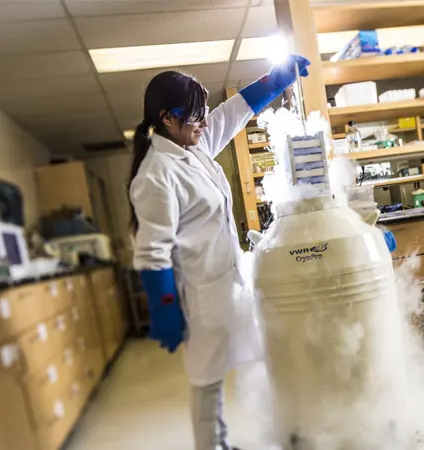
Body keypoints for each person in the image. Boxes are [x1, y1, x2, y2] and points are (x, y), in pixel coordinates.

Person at [128, 55, 310, 450]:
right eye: (196, 117)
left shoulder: (192, 146)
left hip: (233, 282)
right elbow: (152, 252)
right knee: (207, 384)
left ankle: (295, 430)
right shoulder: (156, 175)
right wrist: (164, 309)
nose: (205, 123)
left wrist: (274, 82)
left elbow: (232, 114)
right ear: (167, 118)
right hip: (203, 296)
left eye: (203, 113)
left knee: (273, 354)